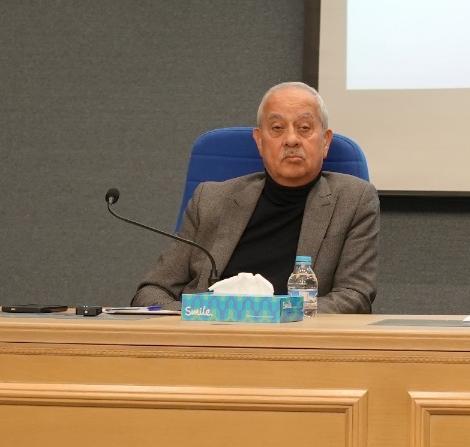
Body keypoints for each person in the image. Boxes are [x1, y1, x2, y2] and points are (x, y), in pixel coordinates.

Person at [132, 82, 379, 313]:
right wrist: (198, 314)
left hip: (297, 338)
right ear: (260, 142)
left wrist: (269, 315)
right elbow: (151, 292)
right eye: (277, 128)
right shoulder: (210, 200)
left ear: (325, 142)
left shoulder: (353, 200)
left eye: (304, 128)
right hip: (209, 334)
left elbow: (354, 296)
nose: (291, 139)